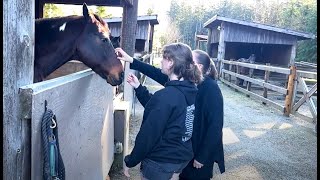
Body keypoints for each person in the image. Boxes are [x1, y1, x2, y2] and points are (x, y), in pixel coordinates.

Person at [115, 48, 225, 180]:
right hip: (182, 153)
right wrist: (133, 62)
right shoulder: (187, 85)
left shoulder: (208, 88)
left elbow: (215, 126)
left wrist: (203, 156)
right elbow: (158, 103)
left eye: (190, 60)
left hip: (196, 152)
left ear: (198, 66)